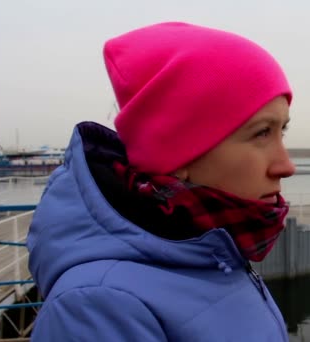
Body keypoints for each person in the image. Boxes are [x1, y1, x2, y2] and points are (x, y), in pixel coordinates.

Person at [27, 21, 295, 341]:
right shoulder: (99, 306)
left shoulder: (212, 251)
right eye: (261, 133)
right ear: (178, 156)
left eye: (283, 131)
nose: (286, 165)